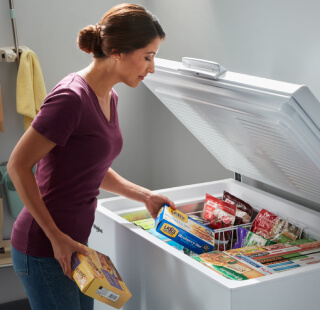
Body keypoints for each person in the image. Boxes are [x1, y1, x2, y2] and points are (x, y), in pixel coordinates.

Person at [7, 3, 175, 310]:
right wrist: (56, 237)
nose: (151, 67)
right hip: (44, 246)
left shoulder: (110, 95)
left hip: (75, 243)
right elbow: (17, 166)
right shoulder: (70, 99)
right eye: (148, 56)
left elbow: (92, 167)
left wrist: (145, 195)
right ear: (118, 52)